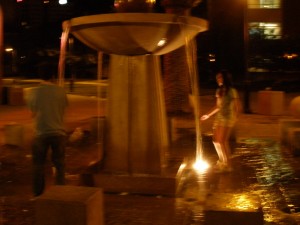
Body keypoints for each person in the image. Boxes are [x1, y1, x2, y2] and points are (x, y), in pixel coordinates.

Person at [28, 63, 68, 196]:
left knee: (38, 166)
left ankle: (38, 195)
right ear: (53, 76)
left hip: (40, 133)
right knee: (59, 164)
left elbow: (33, 113)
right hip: (58, 132)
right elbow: (63, 111)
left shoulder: (33, 92)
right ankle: (60, 193)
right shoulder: (61, 91)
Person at [201, 70, 241, 172]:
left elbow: (237, 106)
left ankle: (228, 165)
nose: (218, 79)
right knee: (215, 140)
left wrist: (236, 117)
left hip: (228, 118)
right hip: (219, 118)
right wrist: (208, 115)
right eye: (217, 77)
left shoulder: (232, 91)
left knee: (222, 141)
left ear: (225, 78)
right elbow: (218, 106)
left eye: (220, 77)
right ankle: (221, 161)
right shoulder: (219, 91)